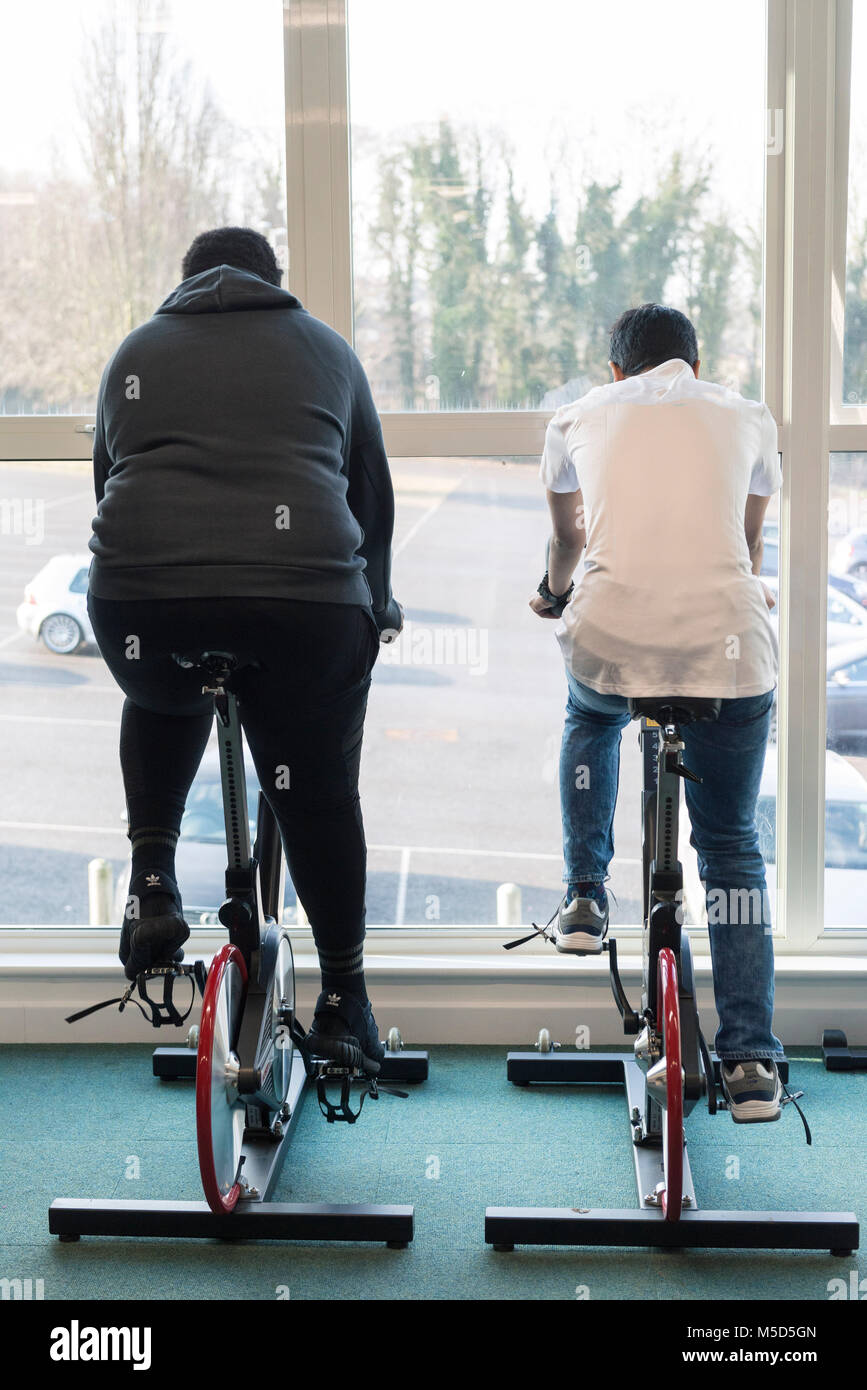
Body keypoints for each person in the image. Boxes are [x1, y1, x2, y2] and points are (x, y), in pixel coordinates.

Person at [87, 225, 402, 1069]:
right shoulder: (325, 350)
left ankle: (152, 877)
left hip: (139, 610)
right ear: (276, 281)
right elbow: (370, 501)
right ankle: (344, 1000)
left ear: (185, 282)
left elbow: (107, 484)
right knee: (319, 789)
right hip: (301, 613)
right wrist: (376, 608)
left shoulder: (136, 350)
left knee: (160, 685)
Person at [530, 303, 785, 1124]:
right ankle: (749, 1058)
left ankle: (582, 894)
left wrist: (551, 594)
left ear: (615, 372)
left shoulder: (577, 415)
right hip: (730, 654)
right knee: (730, 848)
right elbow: (747, 551)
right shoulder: (746, 416)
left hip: (614, 640)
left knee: (591, 716)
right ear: (695, 365)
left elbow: (568, 542)